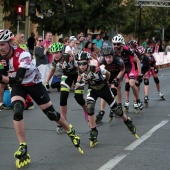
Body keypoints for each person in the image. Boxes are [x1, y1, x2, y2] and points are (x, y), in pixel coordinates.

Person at [0, 29, 84, 168]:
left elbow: (17, 78)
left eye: (2, 44)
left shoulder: (23, 55)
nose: (0, 48)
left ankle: (70, 130)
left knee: (51, 114)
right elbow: (5, 77)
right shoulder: (1, 58)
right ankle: (23, 146)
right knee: (17, 110)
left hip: (33, 83)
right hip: (19, 86)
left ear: (10, 43)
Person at [75, 51, 139, 148]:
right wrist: (78, 83)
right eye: (79, 64)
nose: (81, 66)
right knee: (90, 107)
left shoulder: (95, 69)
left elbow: (108, 73)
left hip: (103, 88)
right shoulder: (80, 70)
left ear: (88, 62)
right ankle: (93, 130)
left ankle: (127, 121)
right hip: (93, 89)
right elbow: (79, 78)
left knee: (116, 110)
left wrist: (106, 82)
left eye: (83, 63)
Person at [45, 42, 88, 133]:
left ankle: (85, 108)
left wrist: (78, 81)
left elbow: (80, 69)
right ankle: (63, 121)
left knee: (78, 98)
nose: (55, 55)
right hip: (67, 75)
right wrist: (46, 82)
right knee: (63, 97)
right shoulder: (55, 60)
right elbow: (52, 70)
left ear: (61, 52)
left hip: (77, 75)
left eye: (57, 53)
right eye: (53, 53)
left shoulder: (69, 58)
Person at [112, 34, 144, 113]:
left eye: (118, 44)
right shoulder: (112, 51)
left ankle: (138, 100)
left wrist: (139, 74)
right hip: (120, 68)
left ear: (122, 44)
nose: (116, 46)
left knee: (132, 84)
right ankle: (119, 105)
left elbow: (138, 61)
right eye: (114, 44)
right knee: (117, 86)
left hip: (130, 67)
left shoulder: (127, 50)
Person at [96, 45, 125, 123]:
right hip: (107, 73)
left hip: (117, 73)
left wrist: (117, 79)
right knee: (104, 91)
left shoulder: (118, 60)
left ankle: (118, 105)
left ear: (113, 56)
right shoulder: (101, 60)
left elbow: (122, 70)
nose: (108, 59)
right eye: (106, 57)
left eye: (110, 57)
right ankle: (102, 111)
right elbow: (96, 69)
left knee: (115, 89)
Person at [13, 32, 34, 110]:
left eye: (24, 37)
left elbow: (27, 54)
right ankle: (27, 102)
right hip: (18, 65)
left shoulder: (25, 45)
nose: (23, 38)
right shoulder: (16, 46)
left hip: (25, 65)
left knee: (22, 84)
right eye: (22, 37)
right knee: (20, 85)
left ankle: (27, 102)